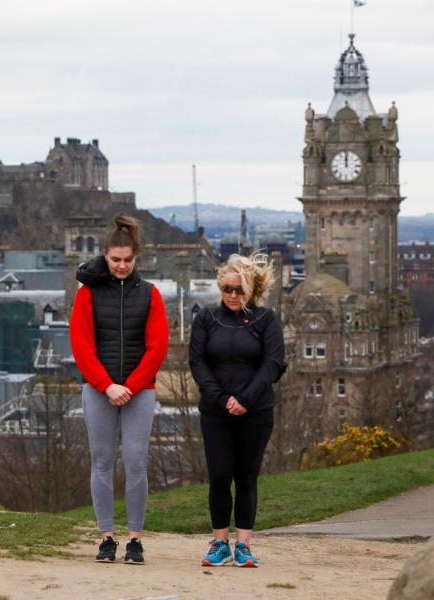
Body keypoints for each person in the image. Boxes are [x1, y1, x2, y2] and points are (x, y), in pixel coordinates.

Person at [70, 214, 170, 564]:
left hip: (138, 391)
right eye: (115, 260)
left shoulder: (151, 294)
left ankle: (136, 539)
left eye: (128, 260)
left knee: (136, 462)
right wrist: (106, 385)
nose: (122, 266)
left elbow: (157, 347)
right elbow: (81, 346)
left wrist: (130, 386)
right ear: (106, 257)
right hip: (99, 389)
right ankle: (106, 537)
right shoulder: (87, 294)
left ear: (136, 257)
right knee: (101, 462)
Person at [189, 253, 285, 568]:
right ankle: (219, 542)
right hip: (216, 411)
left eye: (239, 290)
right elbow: (198, 362)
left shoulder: (266, 319)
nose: (233, 295)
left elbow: (273, 364)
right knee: (219, 475)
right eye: (228, 289)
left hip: (255, 411)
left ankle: (243, 544)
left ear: (251, 290)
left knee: (246, 476)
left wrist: (245, 398)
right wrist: (220, 399)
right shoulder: (205, 318)